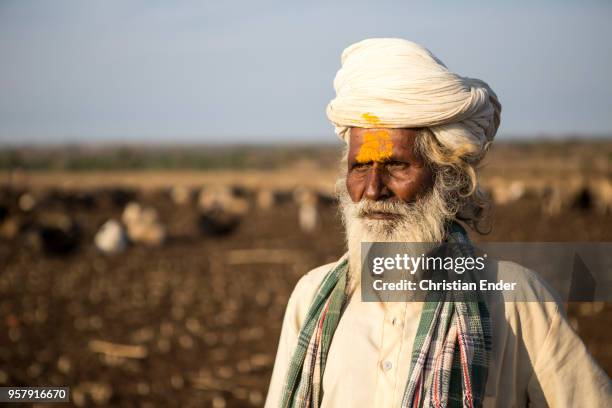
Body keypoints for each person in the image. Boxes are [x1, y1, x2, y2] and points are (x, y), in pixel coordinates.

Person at [265, 38, 611, 407]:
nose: (373, 189)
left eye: (397, 165)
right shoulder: (311, 297)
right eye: (360, 167)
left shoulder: (517, 301)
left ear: (447, 176)